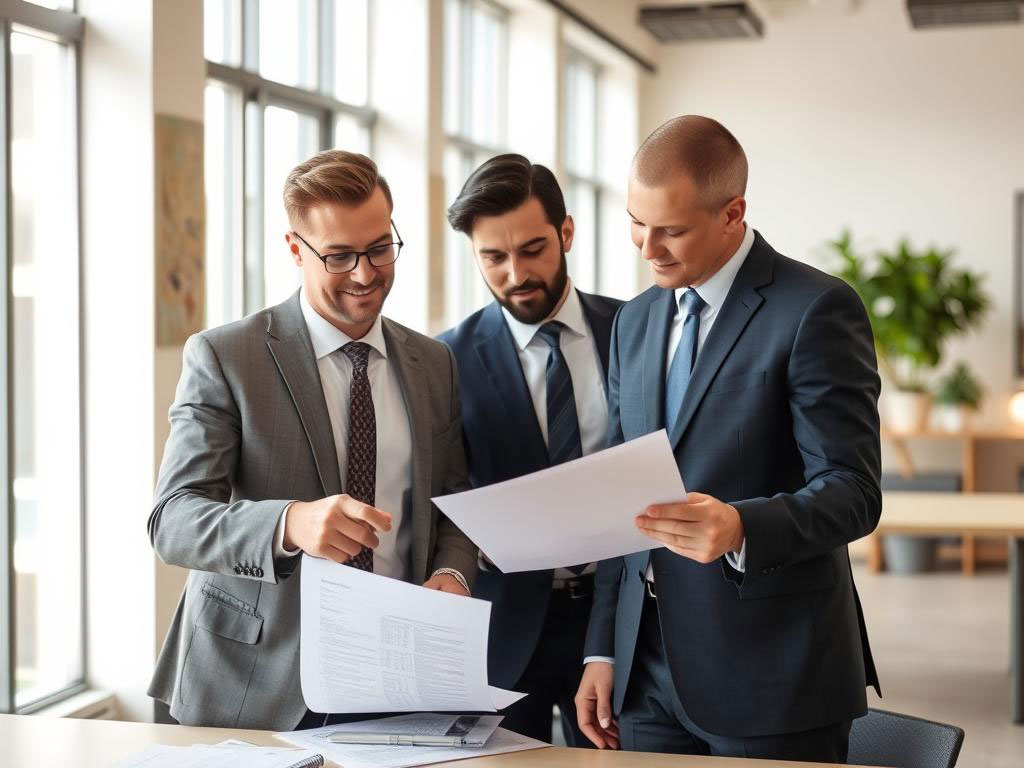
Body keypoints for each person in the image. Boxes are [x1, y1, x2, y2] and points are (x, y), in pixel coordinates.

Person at [575, 115, 881, 762]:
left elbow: (854, 491)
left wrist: (741, 528)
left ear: (733, 213)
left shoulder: (815, 310)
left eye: (672, 230)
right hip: (647, 672)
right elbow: (618, 496)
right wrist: (603, 648)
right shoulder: (633, 323)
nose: (646, 248)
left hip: (773, 672)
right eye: (636, 221)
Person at [148, 150, 477, 730]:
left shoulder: (433, 362)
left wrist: (451, 578)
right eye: (339, 255)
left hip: (397, 677)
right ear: (296, 249)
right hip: (255, 677)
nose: (365, 273)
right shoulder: (227, 357)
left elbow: (452, 499)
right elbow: (172, 521)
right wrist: (289, 524)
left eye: (379, 247)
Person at [439, 154, 622, 745]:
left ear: (566, 233)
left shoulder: (633, 330)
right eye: (493, 257)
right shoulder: (445, 360)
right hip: (504, 628)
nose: (516, 272)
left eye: (533, 249)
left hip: (620, 621)